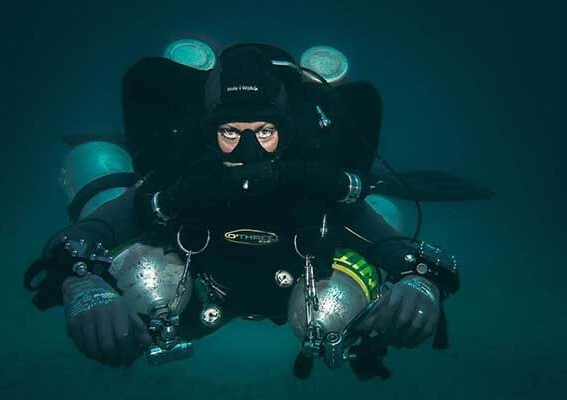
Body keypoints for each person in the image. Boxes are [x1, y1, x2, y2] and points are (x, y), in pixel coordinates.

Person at [25, 44, 459, 372]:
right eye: (230, 132)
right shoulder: (181, 179)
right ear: (209, 132)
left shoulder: (315, 183)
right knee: (141, 267)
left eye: (265, 131)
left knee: (365, 217)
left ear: (285, 133)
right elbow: (95, 229)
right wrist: (83, 285)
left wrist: (420, 282)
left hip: (301, 300)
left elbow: (391, 244)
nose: (249, 148)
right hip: (194, 300)